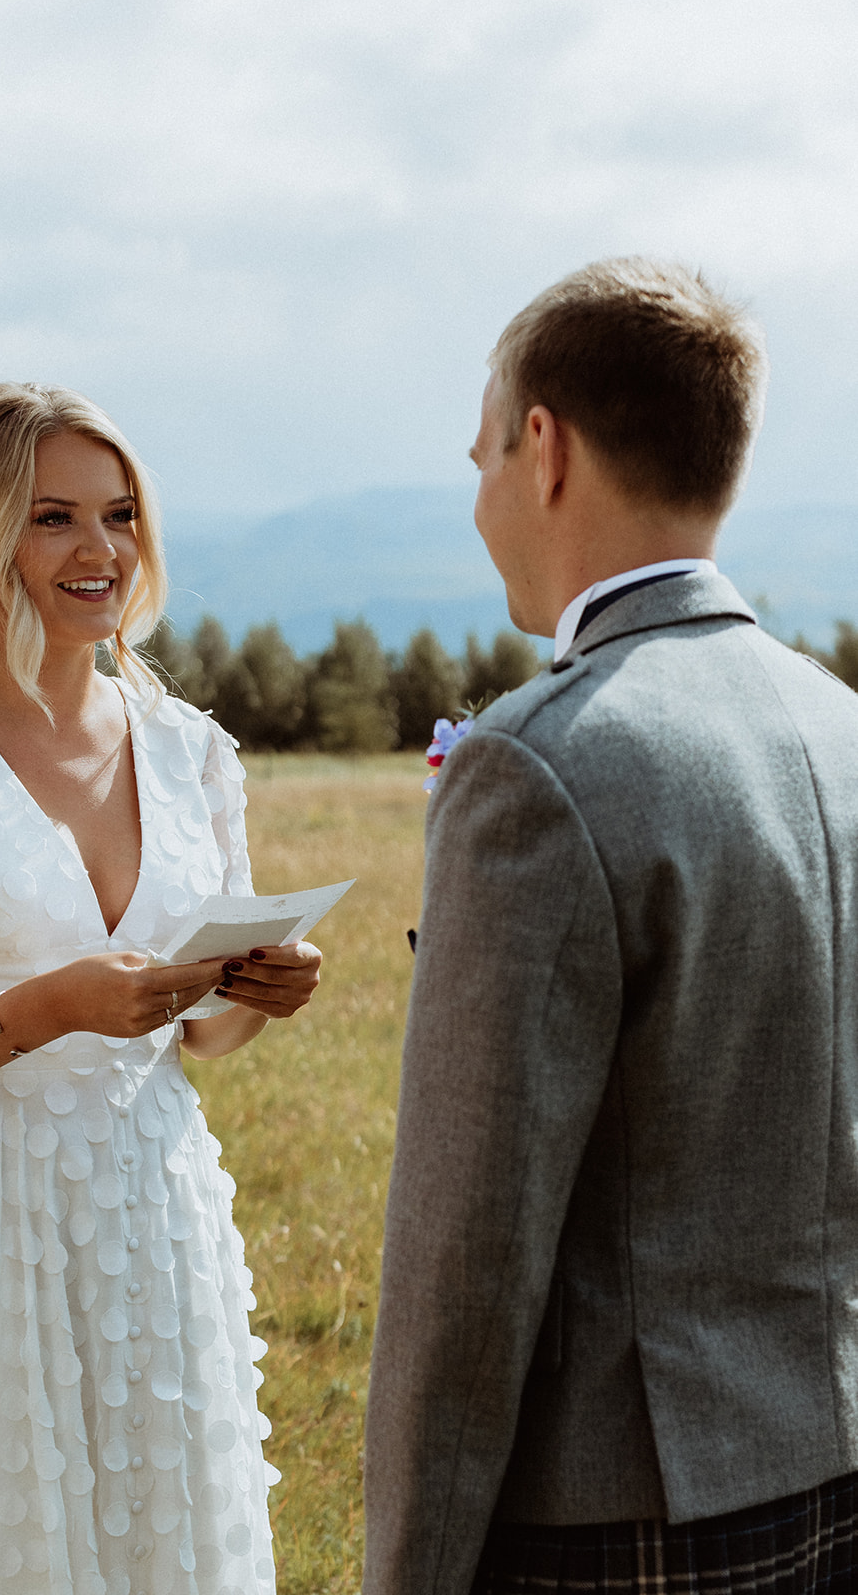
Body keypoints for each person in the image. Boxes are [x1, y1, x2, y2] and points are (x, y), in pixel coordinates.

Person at [362, 258, 858, 1595]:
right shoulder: (837, 726)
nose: (477, 500)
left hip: (620, 1518)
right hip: (826, 1457)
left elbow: (459, 1267)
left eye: (479, 457)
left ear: (543, 448)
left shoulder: (540, 762)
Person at [0, 381, 322, 1594]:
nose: (101, 551)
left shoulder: (190, 752)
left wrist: (253, 991)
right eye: (53, 518)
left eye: (121, 514)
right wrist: (48, 1007)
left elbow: (201, 1035)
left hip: (151, 1217)